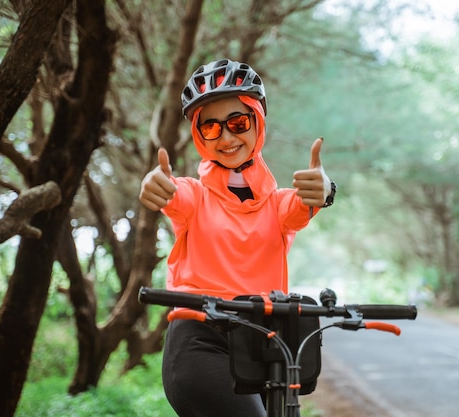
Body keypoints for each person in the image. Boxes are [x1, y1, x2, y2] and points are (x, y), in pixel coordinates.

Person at [139, 58, 336, 417]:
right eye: (211, 128)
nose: (227, 138)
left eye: (238, 122)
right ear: (199, 136)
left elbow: (304, 204)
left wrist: (324, 189)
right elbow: (171, 194)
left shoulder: (277, 205)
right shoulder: (193, 196)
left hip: (264, 346)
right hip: (200, 343)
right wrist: (156, 185)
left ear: (257, 121)